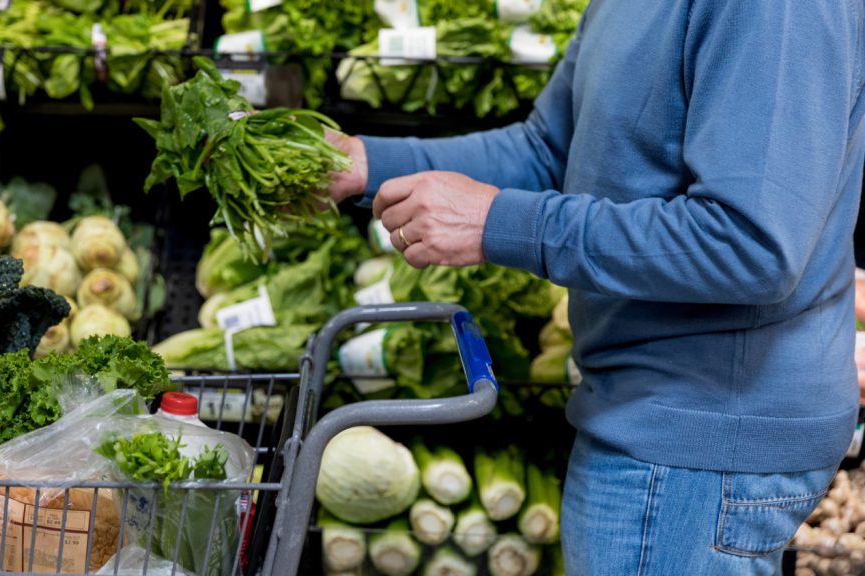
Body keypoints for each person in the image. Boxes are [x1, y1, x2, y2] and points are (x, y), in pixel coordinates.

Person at [326, 1, 865, 574]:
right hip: (642, 417)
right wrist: (365, 164)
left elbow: (749, 244)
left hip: (698, 445)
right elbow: (547, 151)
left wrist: (498, 222)